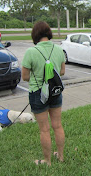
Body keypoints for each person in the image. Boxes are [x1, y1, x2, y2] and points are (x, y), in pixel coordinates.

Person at [22, 21, 66, 166]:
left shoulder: (31, 52)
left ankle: (47, 161)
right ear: (49, 33)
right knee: (57, 126)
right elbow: (62, 72)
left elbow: (25, 76)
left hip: (37, 93)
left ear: (35, 35)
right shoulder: (59, 49)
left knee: (44, 129)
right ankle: (60, 156)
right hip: (55, 92)